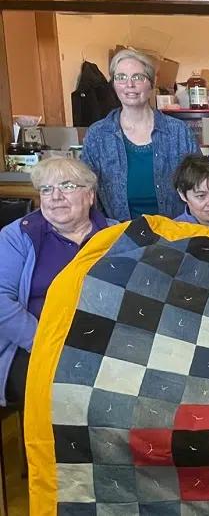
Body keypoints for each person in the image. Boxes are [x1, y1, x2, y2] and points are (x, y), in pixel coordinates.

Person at [0, 157, 115, 408]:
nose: (55, 196)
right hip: (33, 345)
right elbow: (1, 300)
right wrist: (45, 343)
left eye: (68, 186)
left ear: (90, 195)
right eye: (46, 189)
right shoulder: (17, 236)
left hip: (106, 344)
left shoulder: (116, 234)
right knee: (72, 395)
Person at [80, 49, 199, 221]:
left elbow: (199, 185)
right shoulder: (98, 135)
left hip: (174, 234)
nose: (129, 85)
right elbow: (88, 192)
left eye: (138, 77)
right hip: (118, 235)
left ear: (151, 83)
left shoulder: (179, 131)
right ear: (113, 84)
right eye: (121, 77)